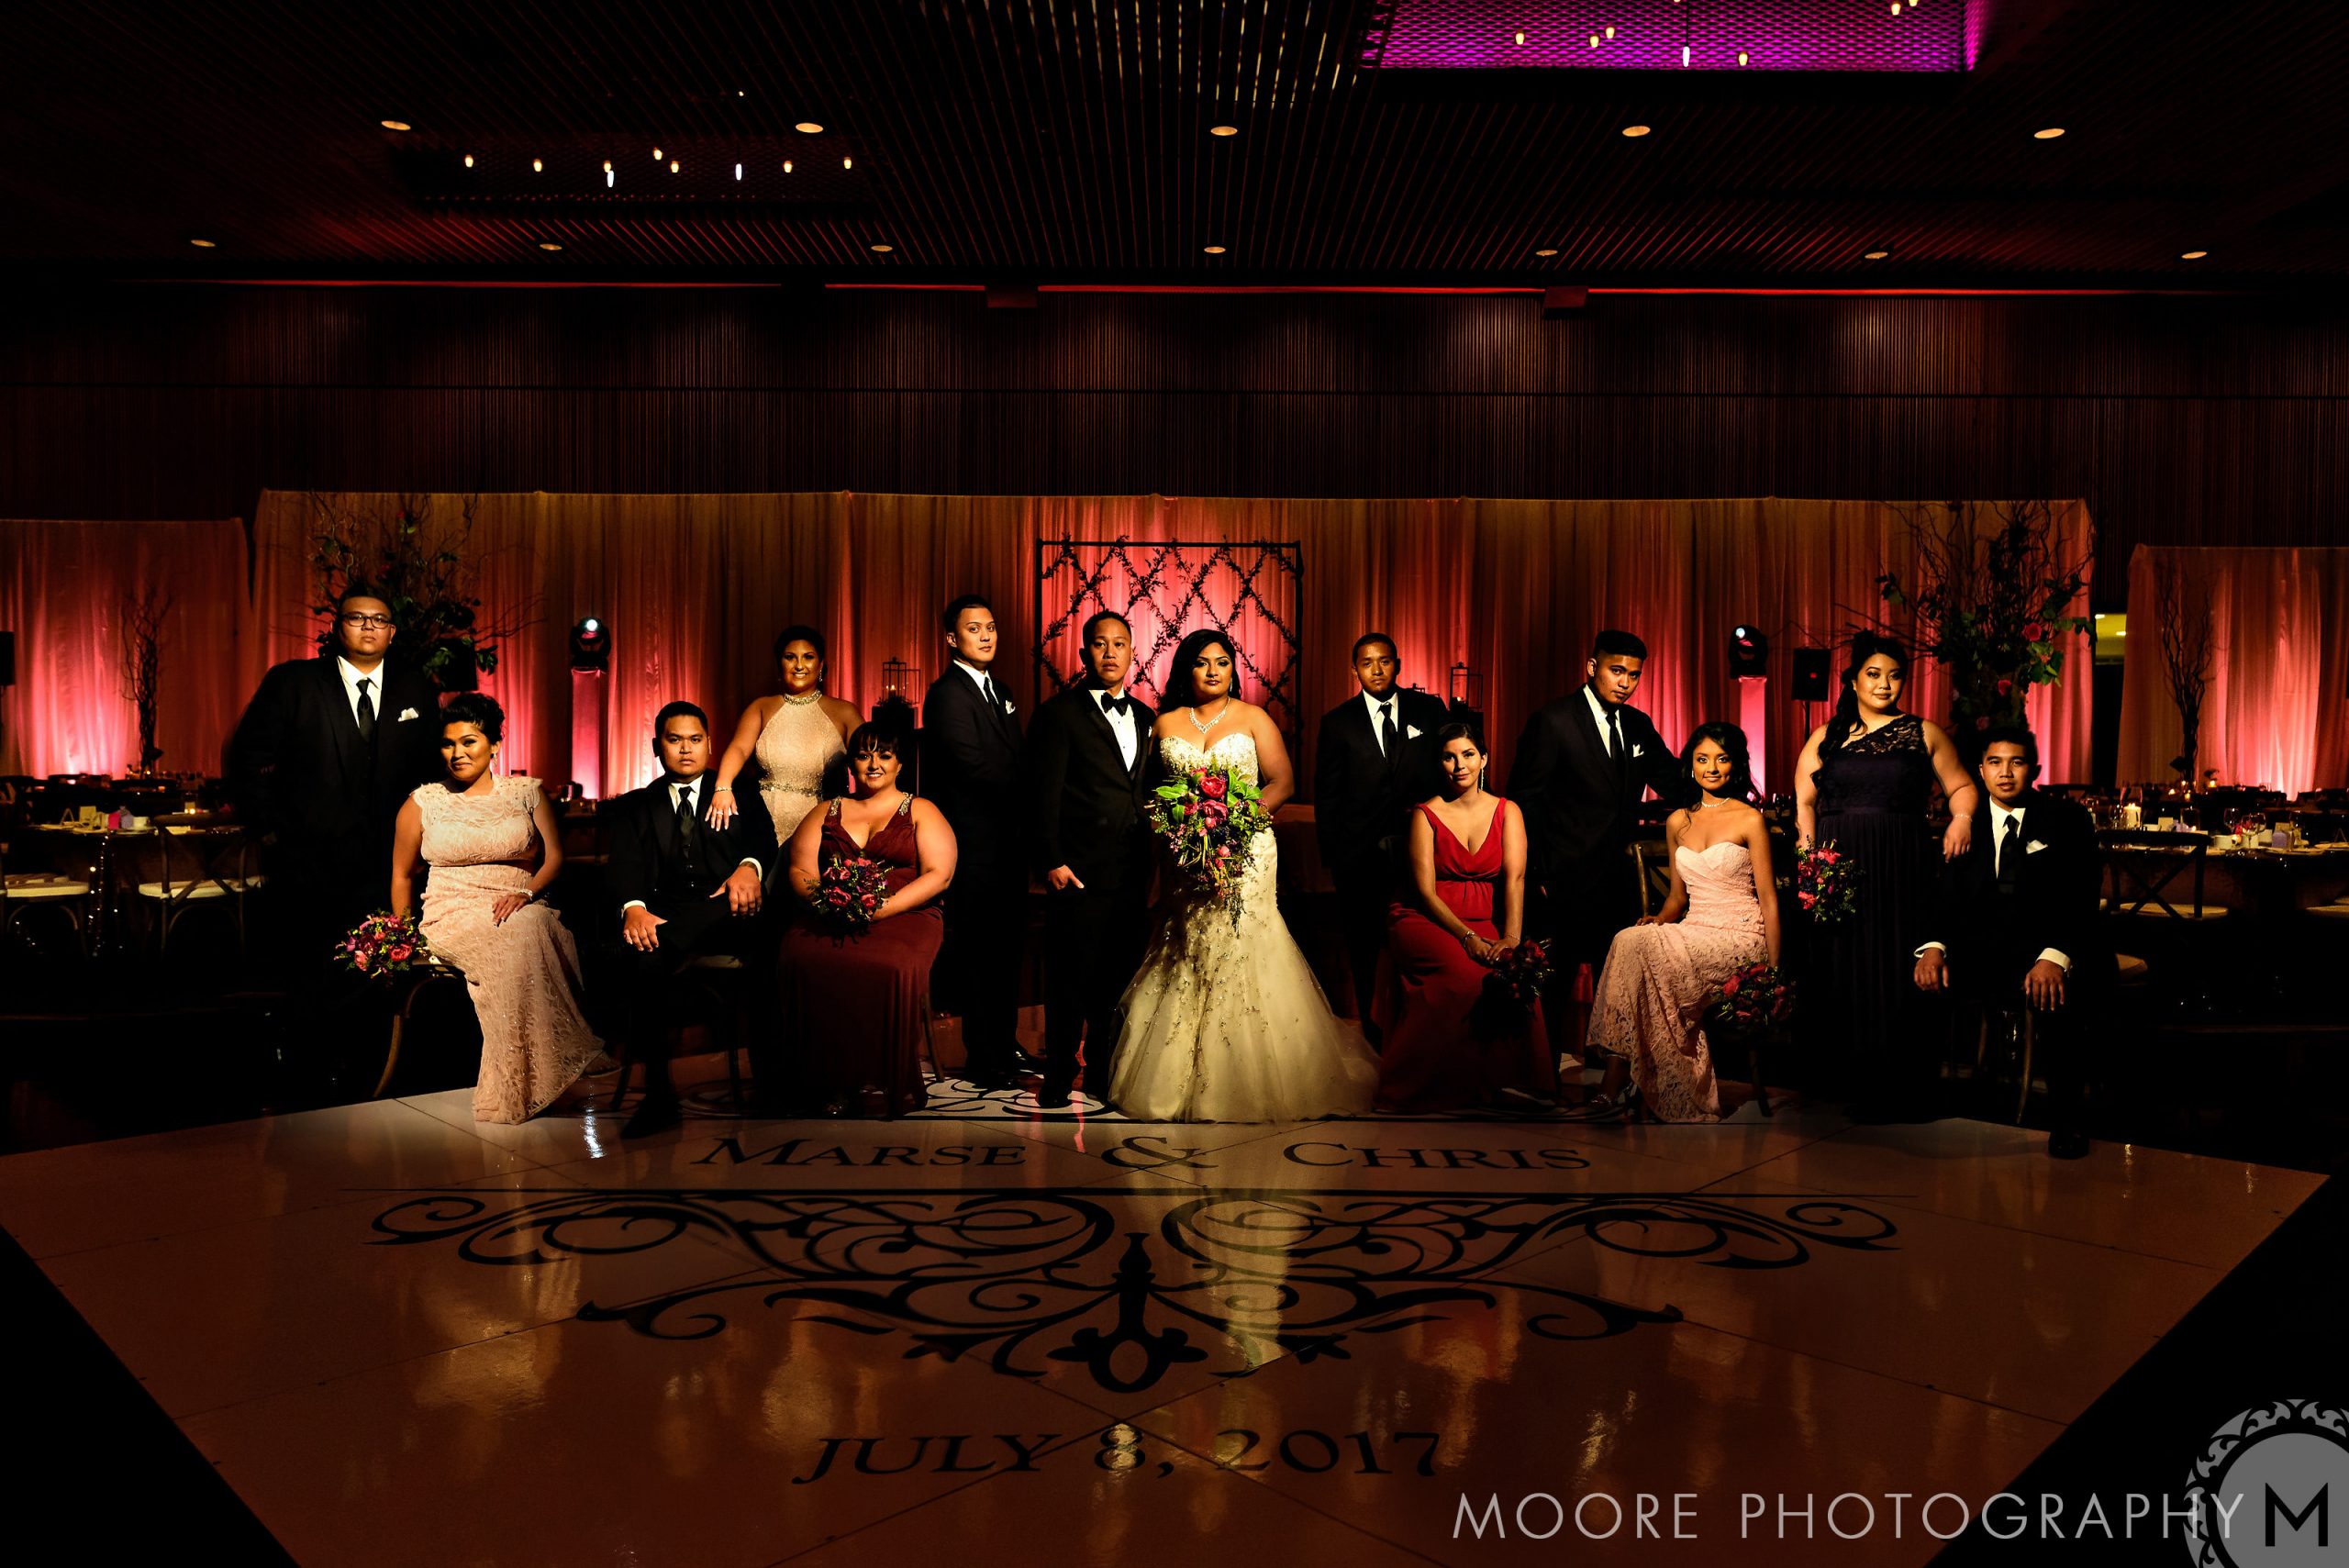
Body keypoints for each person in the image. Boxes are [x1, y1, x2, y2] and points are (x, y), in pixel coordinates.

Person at [1110, 628, 1379, 1122]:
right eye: (1202, 662)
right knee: (1190, 942)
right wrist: (1186, 830)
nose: (1214, 671)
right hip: (1187, 855)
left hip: (1248, 848)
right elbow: (1151, 795)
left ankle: (1253, 1076)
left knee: (1244, 939)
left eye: (1223, 662)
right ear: (1186, 669)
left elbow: (1283, 782)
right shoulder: (1164, 724)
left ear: (1234, 669)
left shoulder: (1254, 718)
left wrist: (1235, 824)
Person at [388, 695, 606, 1125]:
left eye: (469, 742)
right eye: (449, 744)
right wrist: (403, 934)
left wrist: (527, 893)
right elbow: (401, 875)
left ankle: (534, 1075)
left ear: (495, 746)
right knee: (523, 935)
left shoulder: (526, 793)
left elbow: (555, 858)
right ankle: (528, 1079)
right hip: (451, 913)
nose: (458, 753)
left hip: (518, 903)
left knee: (534, 925)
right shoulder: (423, 802)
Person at [1792, 632, 1978, 1117]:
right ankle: (1842, 1080)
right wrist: (1811, 862)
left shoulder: (1923, 732)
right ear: (1853, 680)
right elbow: (1805, 805)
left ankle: (1898, 1081)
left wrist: (1962, 818)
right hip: (1839, 868)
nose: (1885, 683)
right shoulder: (1825, 736)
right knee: (1842, 965)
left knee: (1895, 962)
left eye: (1895, 675)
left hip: (1900, 864)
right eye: (1874, 674)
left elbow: (1961, 786)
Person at [1913, 727, 2110, 1158]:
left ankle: (2066, 1118)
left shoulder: (2066, 820)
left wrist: (2055, 957)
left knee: (2064, 993)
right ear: (1981, 770)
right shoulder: (1966, 821)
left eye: (2017, 763)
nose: (2006, 773)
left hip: (2042, 950)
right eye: (1996, 763)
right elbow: (1940, 895)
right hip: (1983, 953)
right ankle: (1923, 1100)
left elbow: (2081, 897)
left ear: (2034, 770)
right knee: (1918, 980)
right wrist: (1932, 946)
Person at [229, 584, 441, 963]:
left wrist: (429, 839)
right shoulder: (293, 682)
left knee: (386, 971)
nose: (369, 627)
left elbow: (431, 770)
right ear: (337, 627)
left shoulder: (416, 688)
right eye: (357, 618)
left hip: (390, 863)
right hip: (308, 863)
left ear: (392, 632)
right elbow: (245, 757)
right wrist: (269, 829)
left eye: (379, 620)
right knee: (311, 971)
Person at [1586, 723, 1783, 1122]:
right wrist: (1658, 920)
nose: (1712, 767)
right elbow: (1677, 898)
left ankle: (1617, 1082)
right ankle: (1621, 1072)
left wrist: (1772, 973)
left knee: (1639, 948)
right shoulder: (1679, 820)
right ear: (1690, 765)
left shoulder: (1749, 820)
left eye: (1722, 759)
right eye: (1702, 758)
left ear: (1736, 765)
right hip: (1694, 928)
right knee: (1631, 938)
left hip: (1740, 935)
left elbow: (1769, 900)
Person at [601, 702, 778, 1135]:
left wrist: (748, 867)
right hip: (667, 914)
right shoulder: (635, 806)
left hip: (731, 912)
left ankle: (775, 1084)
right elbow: (623, 865)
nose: (686, 749)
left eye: (695, 740)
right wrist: (635, 908)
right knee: (646, 959)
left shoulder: (740, 791)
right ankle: (660, 1098)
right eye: (675, 740)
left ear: (710, 744)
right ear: (657, 746)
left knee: (662, 943)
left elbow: (765, 841)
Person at [1508, 629, 1681, 1059]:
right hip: (1562, 877)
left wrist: (1725, 793)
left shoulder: (1638, 724)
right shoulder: (1553, 721)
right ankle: (1540, 1069)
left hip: (1618, 878)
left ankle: (1611, 1067)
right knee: (1554, 979)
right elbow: (1522, 803)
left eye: (1634, 675)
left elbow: (1674, 782)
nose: (1625, 682)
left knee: (1615, 979)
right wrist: (1539, 872)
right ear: (1592, 667)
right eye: (1616, 671)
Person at [774, 722, 955, 1116]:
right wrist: (829, 903)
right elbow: (800, 870)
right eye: (863, 755)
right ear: (852, 764)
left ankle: (884, 1074)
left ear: (899, 763)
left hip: (908, 914)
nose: (873, 764)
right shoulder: (827, 810)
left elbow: (939, 874)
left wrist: (879, 908)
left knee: (888, 964)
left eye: (884, 755)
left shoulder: (921, 810)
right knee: (801, 955)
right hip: (834, 912)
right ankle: (824, 1079)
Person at [1375, 724, 1553, 1112]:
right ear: (1440, 763)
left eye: (1468, 754)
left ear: (1484, 759)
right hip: (1427, 918)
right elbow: (1424, 891)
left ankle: (1507, 1086)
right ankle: (1429, 1088)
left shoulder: (1508, 811)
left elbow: (1516, 878)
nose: (1459, 765)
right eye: (1449, 756)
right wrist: (1467, 937)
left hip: (1486, 916)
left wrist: (1511, 938)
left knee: (1513, 973)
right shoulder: (1425, 813)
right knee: (1463, 976)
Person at [1026, 611, 1156, 1108]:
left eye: (1119, 644)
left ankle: (1102, 1074)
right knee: (1069, 978)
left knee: (1117, 980)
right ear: (1084, 655)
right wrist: (1052, 859)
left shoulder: (1147, 718)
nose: (1109, 653)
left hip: (1130, 872)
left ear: (1131, 652)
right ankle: (1058, 1076)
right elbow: (1042, 795)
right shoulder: (1058, 715)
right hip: (1076, 871)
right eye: (1099, 645)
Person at [1313, 631, 1450, 1039]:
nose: (1377, 669)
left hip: (1420, 850)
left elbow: (1450, 772)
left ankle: (1421, 1030)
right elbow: (1328, 795)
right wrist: (1335, 859)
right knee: (1365, 947)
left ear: (1398, 665)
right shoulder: (1337, 723)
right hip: (1359, 858)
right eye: (1367, 662)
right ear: (1354, 669)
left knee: (1422, 943)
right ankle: (1374, 1034)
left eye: (1385, 661)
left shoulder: (1429, 710)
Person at [921, 595, 1030, 1091]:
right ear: (951, 638)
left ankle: (1004, 1043)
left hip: (1007, 842)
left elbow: (1013, 756)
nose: (986, 636)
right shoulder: (945, 694)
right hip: (970, 843)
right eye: (974, 629)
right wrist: (1034, 785)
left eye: (991, 627)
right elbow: (972, 766)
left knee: (1007, 949)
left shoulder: (1002, 690)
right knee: (979, 952)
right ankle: (984, 1057)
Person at [706, 625, 858, 846]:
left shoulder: (845, 712)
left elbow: (868, 755)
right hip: (762, 821)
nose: (799, 665)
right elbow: (738, 749)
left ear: (821, 665)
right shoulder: (761, 707)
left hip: (820, 823)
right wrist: (723, 787)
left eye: (808, 657)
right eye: (790, 657)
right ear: (780, 664)